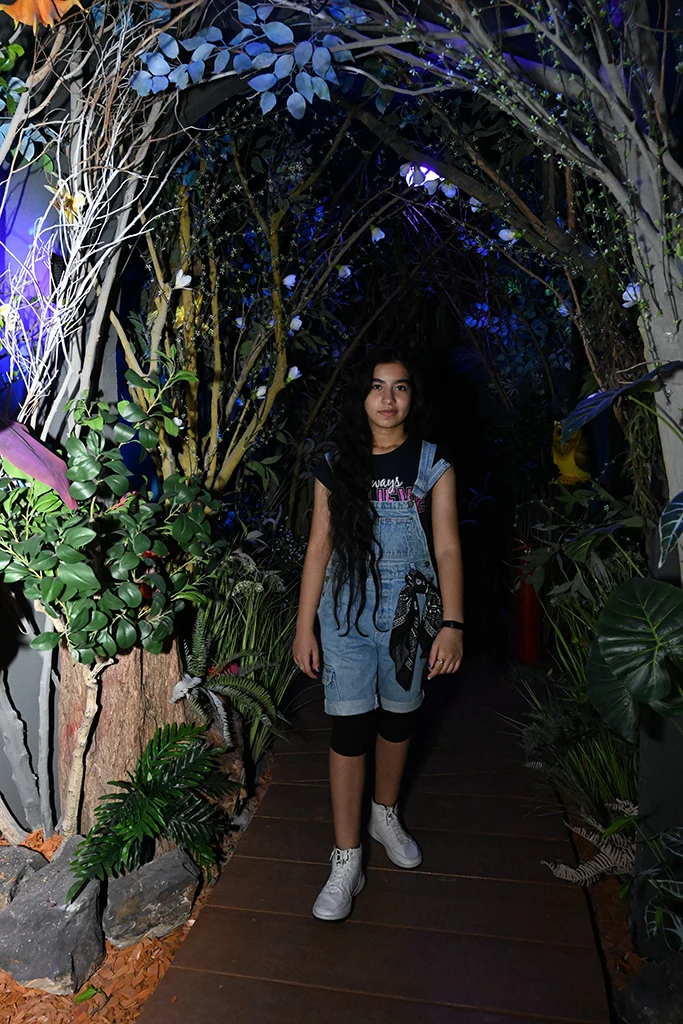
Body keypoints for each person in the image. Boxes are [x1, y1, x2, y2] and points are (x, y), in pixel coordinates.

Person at [292, 348, 464, 921]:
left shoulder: (432, 463)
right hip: (344, 617)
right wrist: (304, 626)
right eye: (376, 386)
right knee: (348, 728)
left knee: (398, 719)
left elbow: (447, 548)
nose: (388, 398)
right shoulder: (335, 463)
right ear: (360, 396)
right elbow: (319, 546)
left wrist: (453, 625)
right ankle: (347, 858)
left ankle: (383, 813)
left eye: (400, 387)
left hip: (411, 617)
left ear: (413, 396)